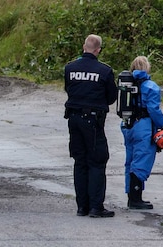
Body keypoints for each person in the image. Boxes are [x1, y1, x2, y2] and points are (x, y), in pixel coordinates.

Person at [64, 34, 117, 218]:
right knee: (97, 161)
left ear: (83, 47)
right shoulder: (104, 71)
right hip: (93, 122)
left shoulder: (69, 68)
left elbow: (68, 89)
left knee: (80, 162)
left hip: (74, 120)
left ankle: (82, 206)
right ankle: (96, 207)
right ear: (98, 50)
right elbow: (111, 97)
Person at [121, 56, 163, 210]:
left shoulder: (126, 84)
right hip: (143, 127)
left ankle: (131, 197)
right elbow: (153, 109)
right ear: (147, 68)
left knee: (130, 161)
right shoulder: (151, 87)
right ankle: (136, 200)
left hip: (127, 125)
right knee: (141, 161)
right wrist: (162, 125)